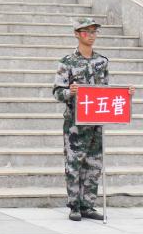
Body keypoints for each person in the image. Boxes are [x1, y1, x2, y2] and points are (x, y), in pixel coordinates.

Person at [53, 17, 133, 221]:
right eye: (86, 32)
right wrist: (70, 91)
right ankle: (74, 206)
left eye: (94, 32)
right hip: (75, 124)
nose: (91, 36)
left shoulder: (102, 61)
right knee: (74, 164)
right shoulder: (67, 62)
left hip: (96, 121)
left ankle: (88, 205)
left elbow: (106, 91)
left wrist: (125, 94)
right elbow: (57, 92)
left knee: (94, 164)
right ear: (77, 34)